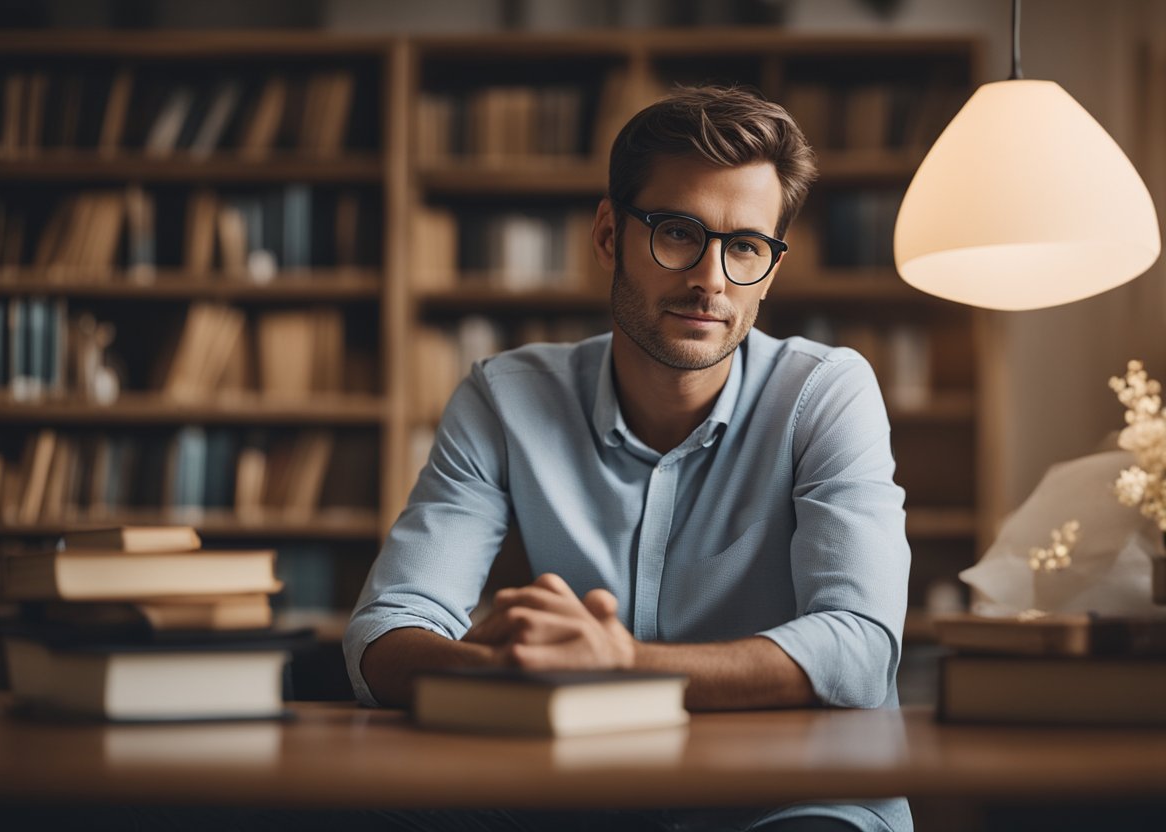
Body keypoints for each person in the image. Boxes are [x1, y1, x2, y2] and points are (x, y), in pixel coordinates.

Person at [344, 85, 912, 832]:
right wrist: (500, 670)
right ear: (609, 235)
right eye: (679, 232)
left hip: (791, 802)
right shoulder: (506, 398)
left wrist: (617, 668)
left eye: (744, 246)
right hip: (577, 799)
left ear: (771, 270)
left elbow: (860, 647)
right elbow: (387, 629)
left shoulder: (826, 393)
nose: (711, 278)